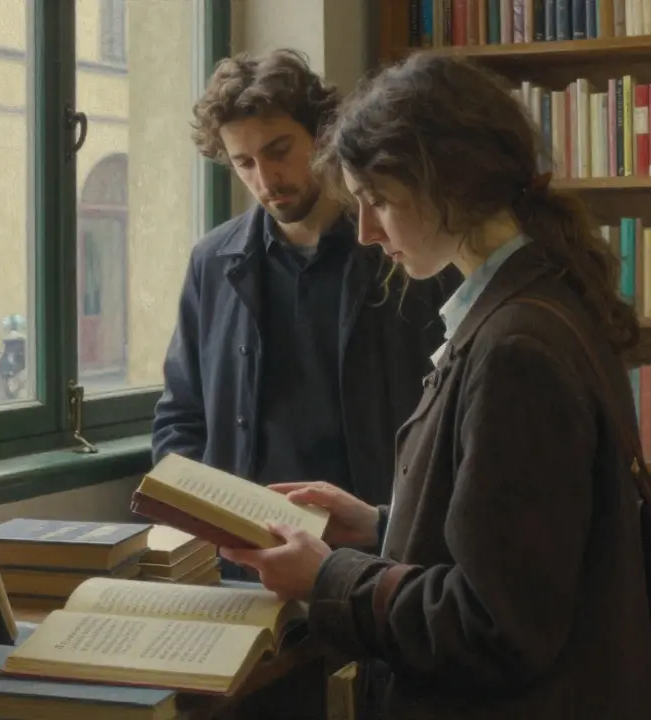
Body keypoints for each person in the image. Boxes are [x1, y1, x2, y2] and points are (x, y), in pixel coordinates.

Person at [220, 53, 651, 718]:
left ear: (448, 184)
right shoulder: (527, 306)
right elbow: (517, 547)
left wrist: (328, 577)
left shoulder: (516, 347)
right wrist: (379, 525)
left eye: (377, 202)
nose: (366, 233)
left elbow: (494, 627)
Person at [152, 49, 457, 579]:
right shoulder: (212, 261)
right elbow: (181, 415)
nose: (266, 178)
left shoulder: (403, 248)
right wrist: (198, 511)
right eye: (244, 163)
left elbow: (450, 417)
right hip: (246, 561)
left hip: (376, 553)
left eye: (279, 150)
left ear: (320, 137)